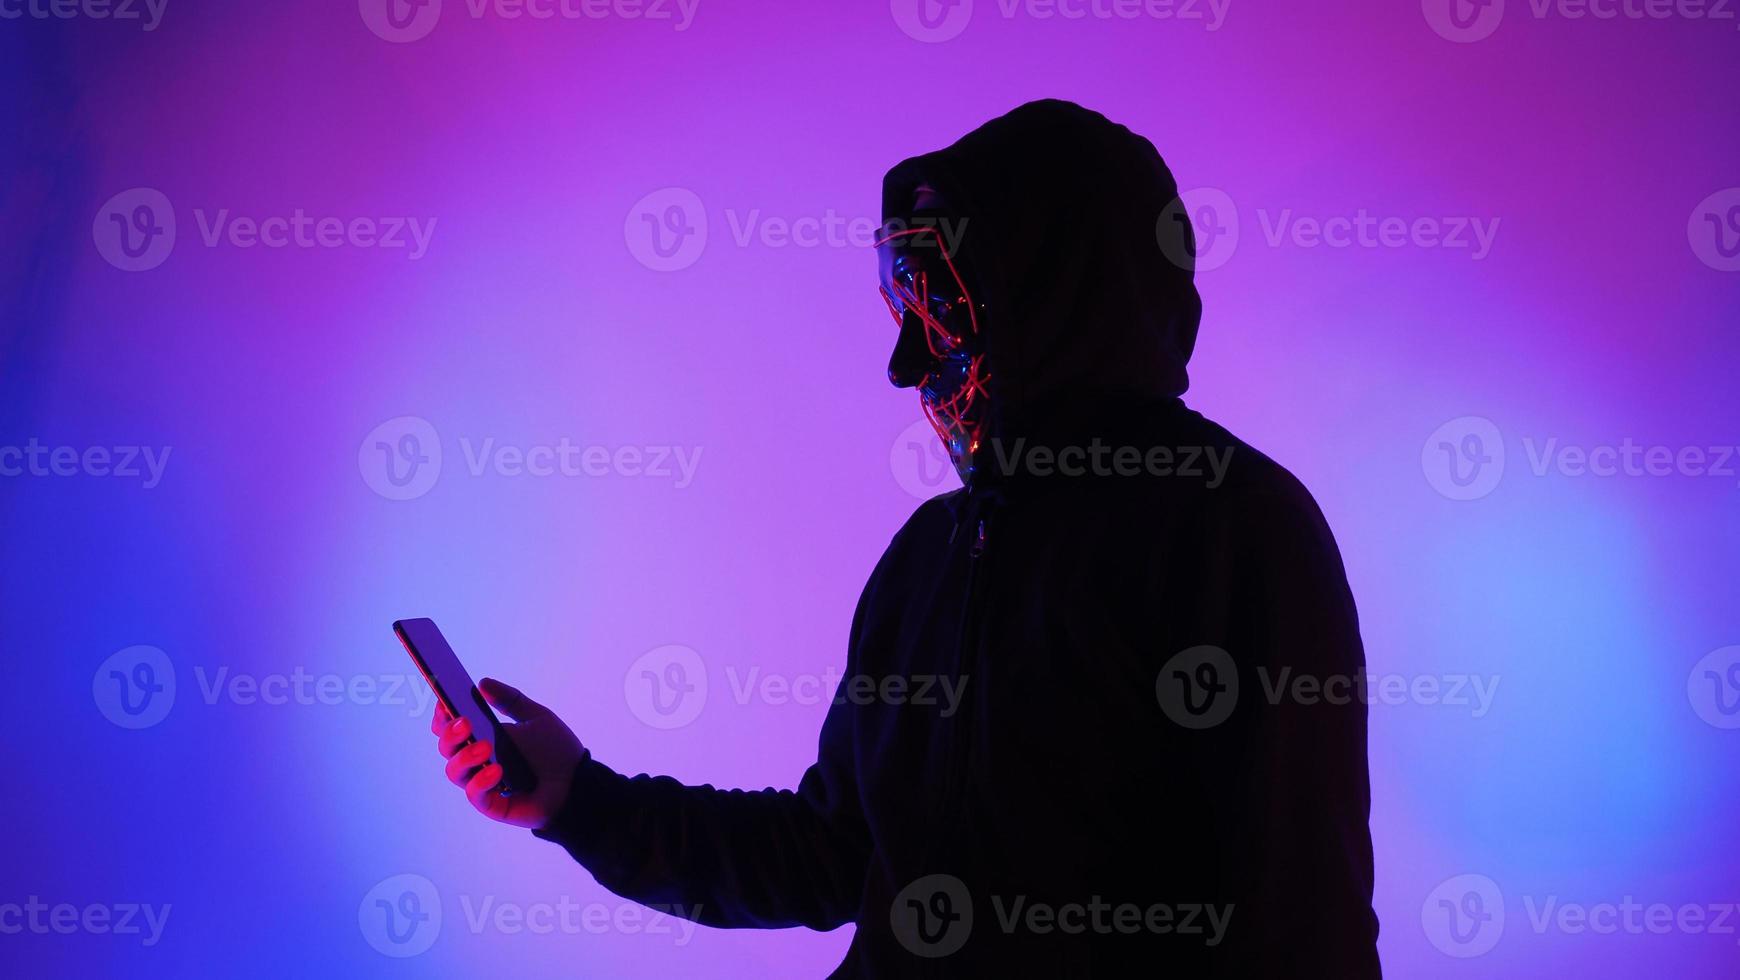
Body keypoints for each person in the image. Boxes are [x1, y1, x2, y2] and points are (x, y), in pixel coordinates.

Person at [433, 99, 1381, 977]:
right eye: (904, 304)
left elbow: (1305, 924)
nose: (905, 362)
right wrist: (578, 800)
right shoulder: (932, 552)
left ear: (1060, 291)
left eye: (945, 306)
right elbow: (829, 852)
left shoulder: (1235, 527)